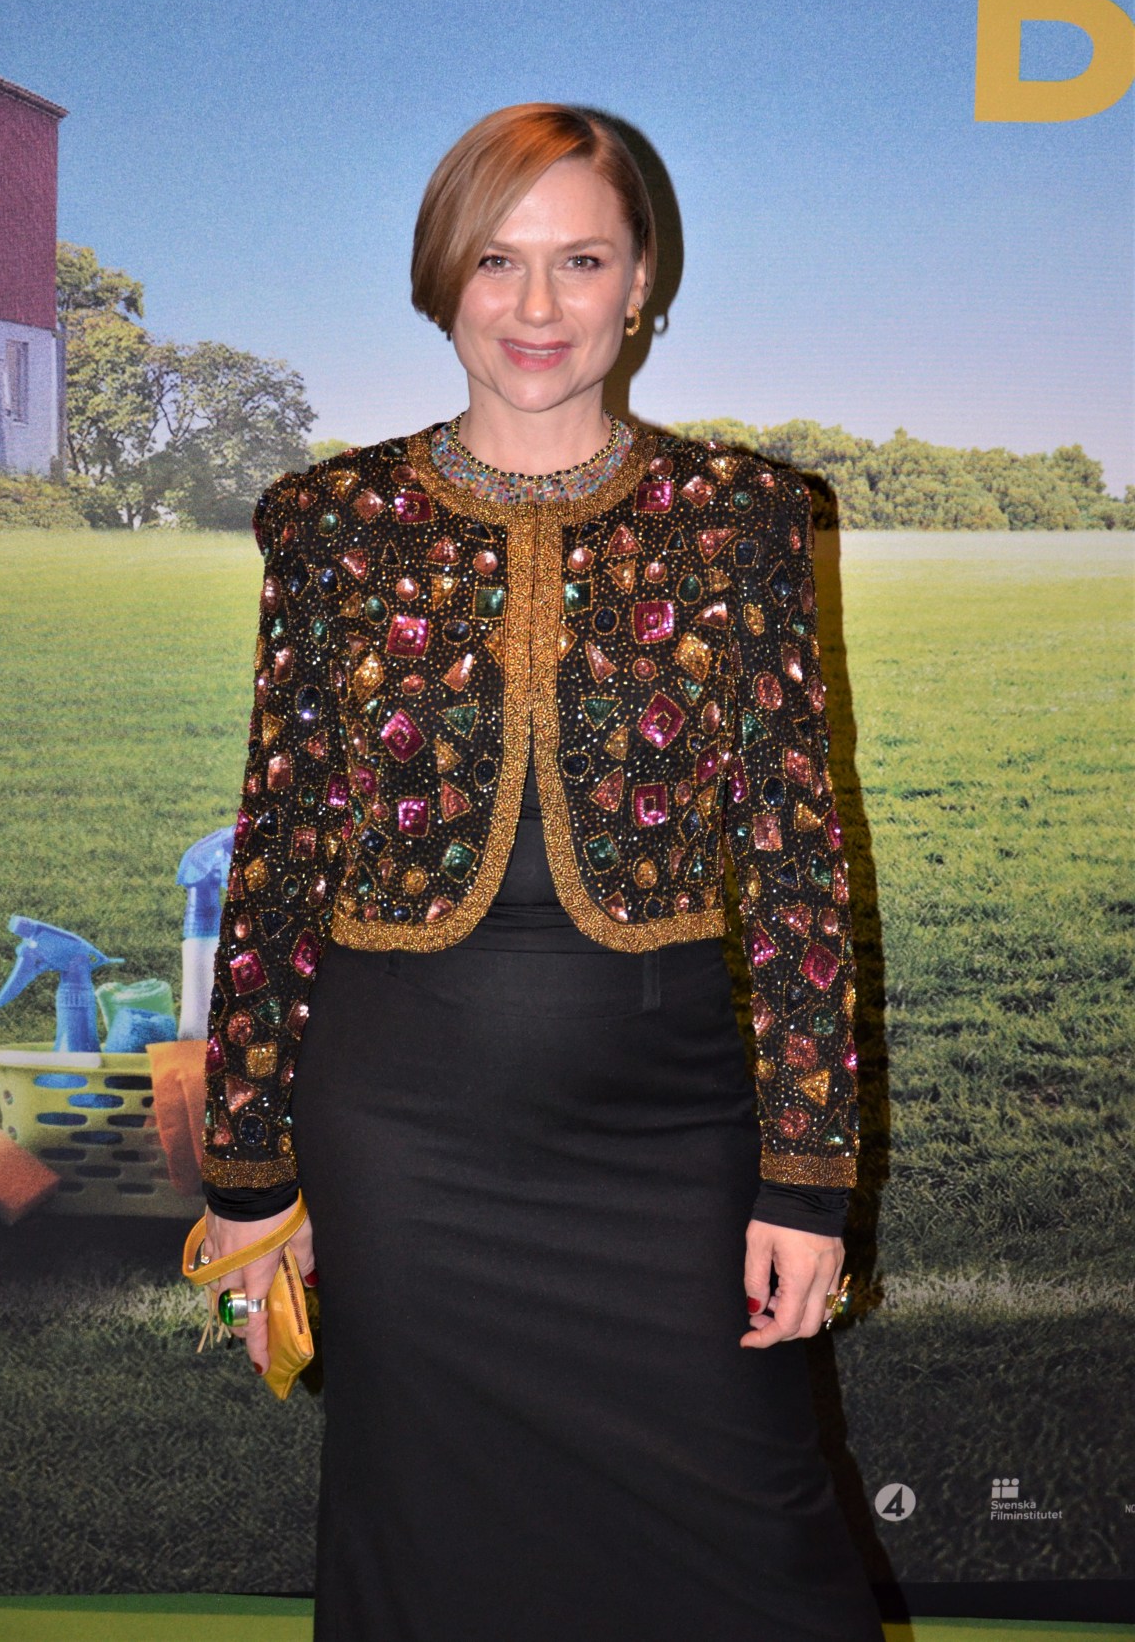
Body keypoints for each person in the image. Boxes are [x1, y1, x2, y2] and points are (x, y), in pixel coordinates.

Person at [199, 102, 883, 1641]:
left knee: (769, 1572)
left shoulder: (743, 519)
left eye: (582, 259)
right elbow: (280, 843)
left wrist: (807, 1175)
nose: (537, 304)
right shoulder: (328, 525)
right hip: (402, 1148)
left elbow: (795, 855)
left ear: (642, 283)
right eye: (497, 259)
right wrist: (249, 1183)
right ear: (441, 277)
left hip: (670, 1136)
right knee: (434, 1563)